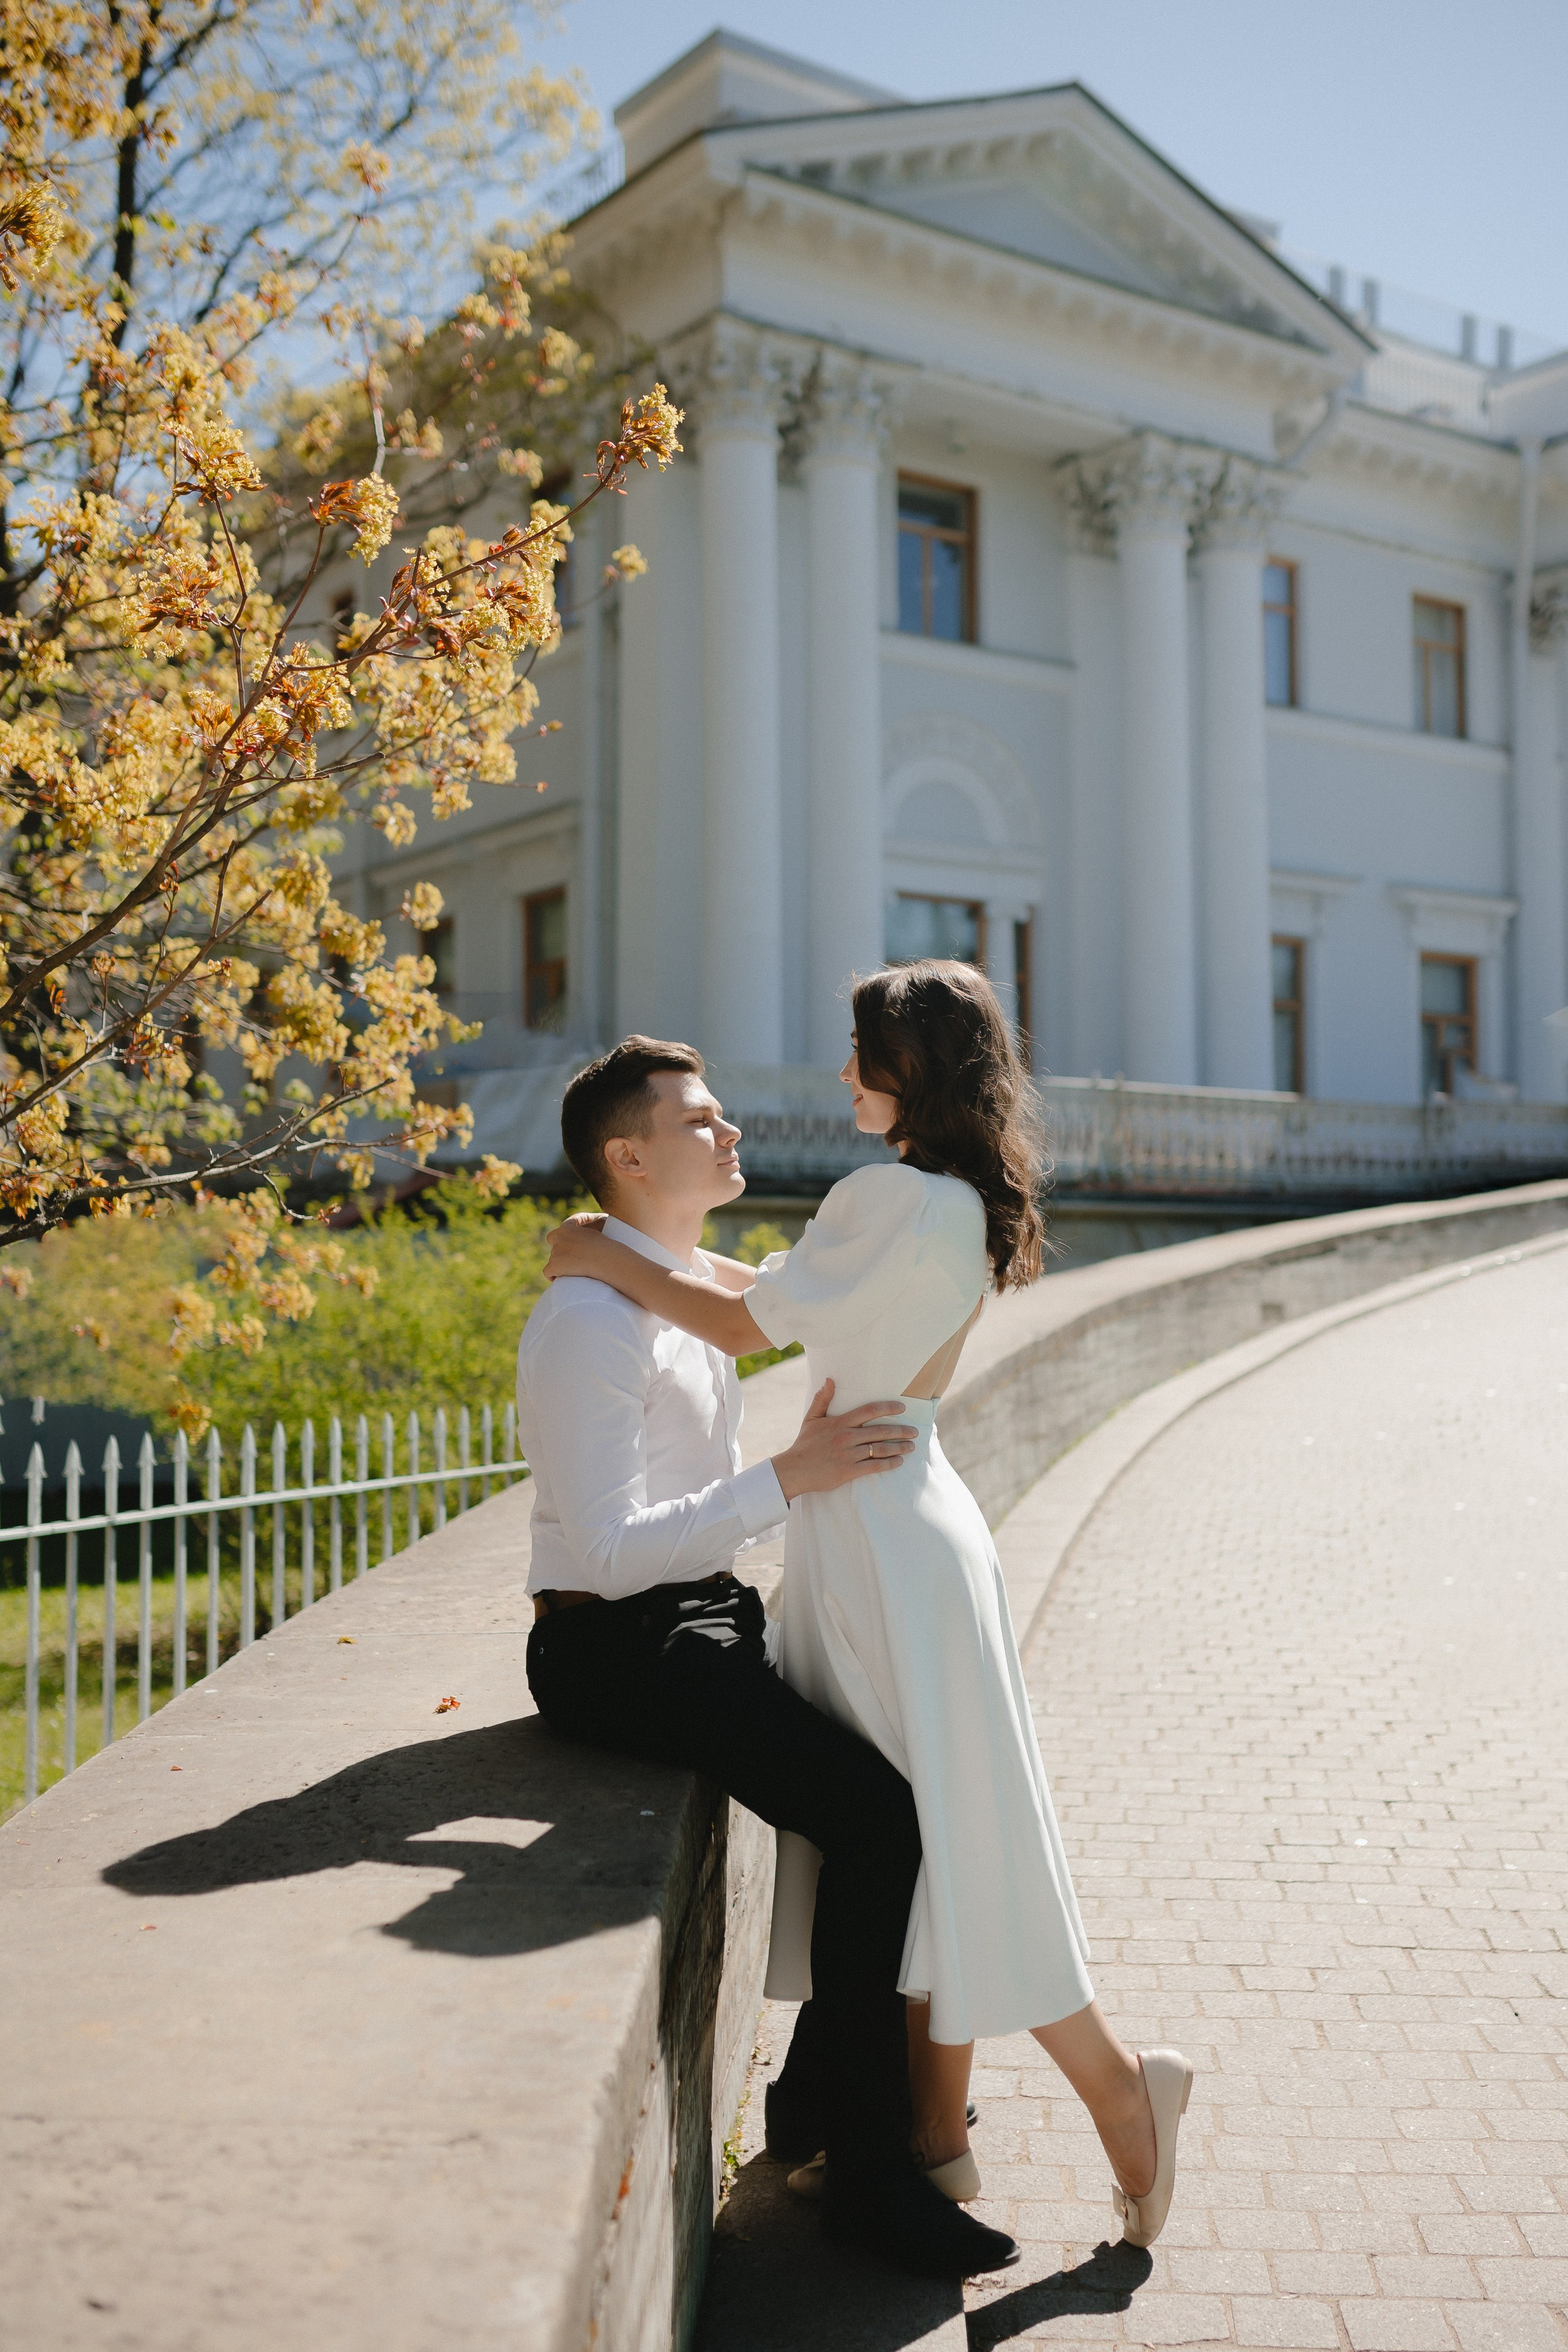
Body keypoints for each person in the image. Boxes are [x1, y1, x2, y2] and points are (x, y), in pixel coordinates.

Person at [544, 967, 1194, 2253]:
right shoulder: (935, 1202)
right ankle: (926, 2135)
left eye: (859, 1054)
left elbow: (745, 1329)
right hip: (894, 1521)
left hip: (879, 1539)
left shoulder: (883, 1196)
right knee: (930, 1840)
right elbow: (776, 1294)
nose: (840, 1075)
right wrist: (643, 1259)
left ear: (912, 1068)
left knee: (944, 1843)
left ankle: (1113, 2098)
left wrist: (597, 1255)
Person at [518, 1033, 1019, 2280]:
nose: (730, 1131)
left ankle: (813, 2107)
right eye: (699, 1120)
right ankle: (865, 2175)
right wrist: (784, 1476)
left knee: (874, 1777)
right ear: (626, 1156)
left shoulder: (659, 1286)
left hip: (699, 1615)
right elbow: (609, 1551)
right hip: (611, 1641)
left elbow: (762, 1317)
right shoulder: (587, 1321)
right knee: (875, 1818)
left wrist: (782, 1474)